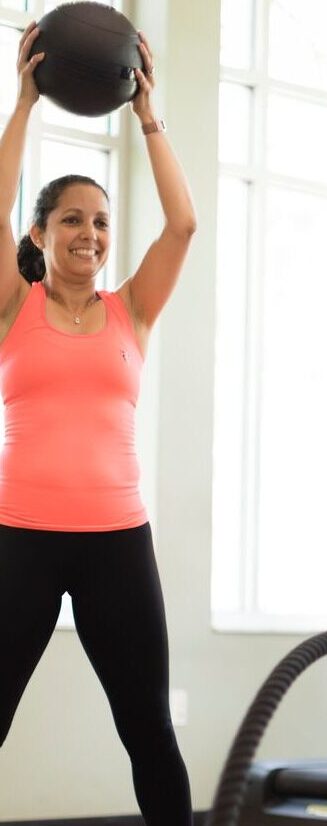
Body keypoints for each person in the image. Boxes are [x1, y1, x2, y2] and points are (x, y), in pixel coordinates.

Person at [0, 24, 196, 823]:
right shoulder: (13, 306)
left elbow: (181, 226)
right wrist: (24, 104)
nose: (89, 234)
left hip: (118, 542)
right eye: (72, 220)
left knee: (149, 729)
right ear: (40, 233)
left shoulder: (132, 311)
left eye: (102, 222)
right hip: (19, 538)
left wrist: (149, 118)